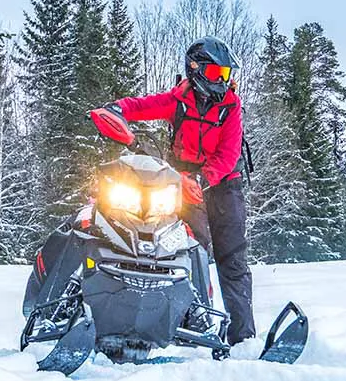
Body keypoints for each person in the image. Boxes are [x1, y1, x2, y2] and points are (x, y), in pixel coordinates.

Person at [98, 37, 254, 344]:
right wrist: (117, 110)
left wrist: (203, 180)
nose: (222, 81)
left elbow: (228, 153)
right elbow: (143, 106)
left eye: (225, 74)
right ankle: (192, 319)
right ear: (195, 70)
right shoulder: (178, 100)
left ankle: (243, 336)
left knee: (232, 257)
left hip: (224, 183)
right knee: (188, 248)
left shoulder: (231, 106)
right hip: (182, 182)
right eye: (215, 73)